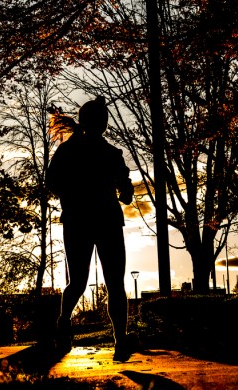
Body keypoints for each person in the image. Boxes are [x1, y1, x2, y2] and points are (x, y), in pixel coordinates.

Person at [46, 95, 138, 362]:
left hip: (81, 220)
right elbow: (126, 186)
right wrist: (125, 192)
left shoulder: (71, 151)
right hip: (102, 220)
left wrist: (71, 194)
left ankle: (71, 325)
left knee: (82, 282)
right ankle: (118, 339)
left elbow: (52, 183)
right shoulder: (109, 153)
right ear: (101, 123)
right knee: (109, 283)